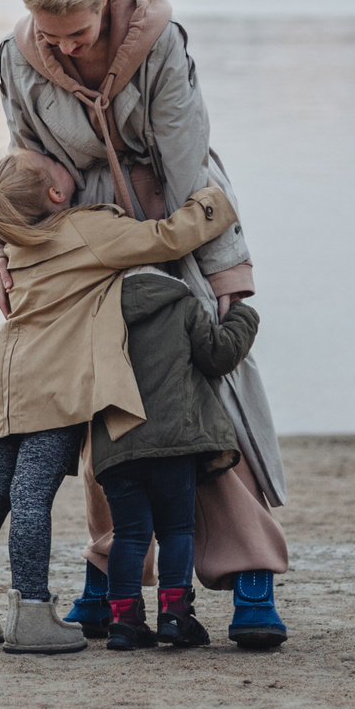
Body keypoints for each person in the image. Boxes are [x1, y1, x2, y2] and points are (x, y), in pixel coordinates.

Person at [0, 0, 291, 649]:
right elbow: (21, 162)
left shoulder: (160, 43)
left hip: (176, 223)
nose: (62, 48)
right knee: (104, 411)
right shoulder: (16, 56)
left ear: (104, 3)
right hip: (78, 244)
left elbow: (191, 164)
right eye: (48, 34)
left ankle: (253, 576)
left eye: (77, 32)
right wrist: (3, 245)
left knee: (212, 398)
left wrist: (227, 276)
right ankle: (109, 584)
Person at [0, 150, 235, 654]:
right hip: (51, 388)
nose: (64, 160)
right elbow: (165, 237)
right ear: (57, 194)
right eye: (53, 162)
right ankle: (31, 614)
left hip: (4, 382)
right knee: (32, 495)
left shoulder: (14, 239)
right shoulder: (84, 231)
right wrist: (213, 202)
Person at [91, 265, 262, 649]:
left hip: (116, 445)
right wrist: (242, 314)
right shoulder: (182, 304)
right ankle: (175, 614)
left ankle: (122, 619)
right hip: (173, 442)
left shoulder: (99, 308)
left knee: (130, 535)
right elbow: (218, 355)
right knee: (176, 531)